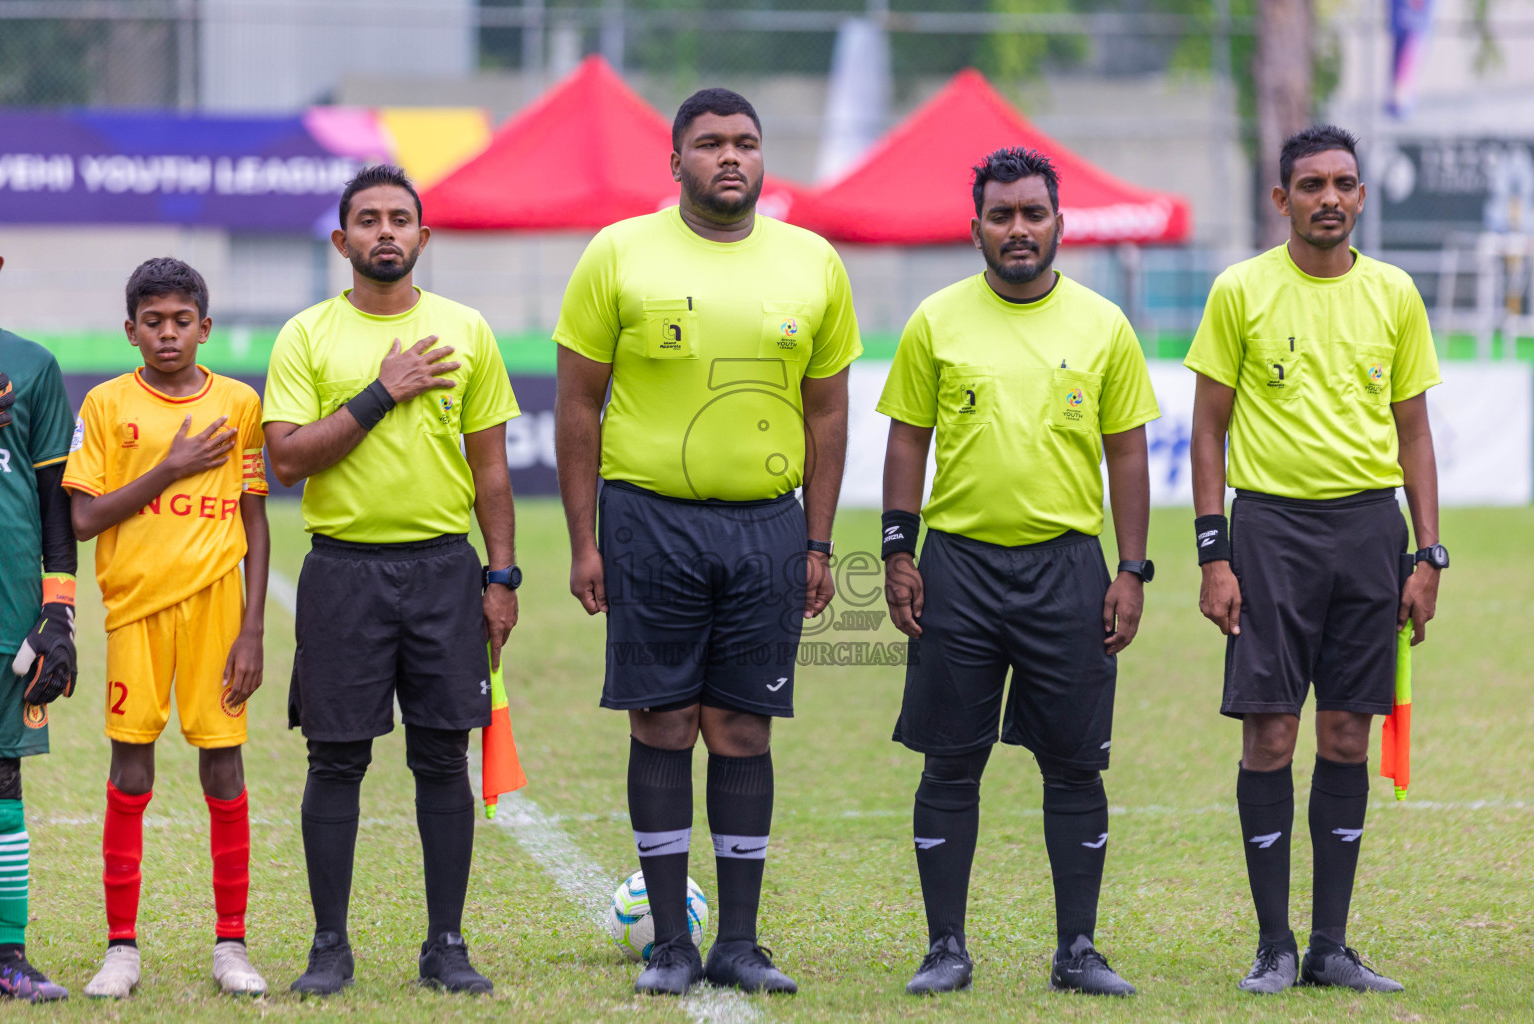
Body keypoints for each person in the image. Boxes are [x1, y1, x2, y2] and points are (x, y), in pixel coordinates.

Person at [554, 88, 860, 997]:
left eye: (746, 143)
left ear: (764, 157)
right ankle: (670, 948)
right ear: (675, 160)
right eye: (710, 144)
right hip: (649, 518)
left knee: (741, 725)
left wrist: (816, 541)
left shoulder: (813, 262)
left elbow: (828, 409)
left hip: (767, 523)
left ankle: (737, 942)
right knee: (663, 720)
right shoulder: (619, 252)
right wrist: (584, 540)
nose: (730, 157)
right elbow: (577, 403)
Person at [879, 147, 1159, 999]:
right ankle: (945, 949)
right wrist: (898, 550)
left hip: (1069, 568)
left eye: (1032, 213)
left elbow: (1129, 453)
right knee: (949, 762)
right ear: (976, 230)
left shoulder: (1103, 325)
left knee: (1075, 765)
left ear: (1059, 225)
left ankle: (1078, 950)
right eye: (1001, 216)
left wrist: (1132, 568)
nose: (1018, 229)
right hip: (957, 567)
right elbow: (905, 441)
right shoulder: (936, 320)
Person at [1185, 125, 1443, 995]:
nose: (1328, 197)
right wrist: (1214, 554)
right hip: (1269, 535)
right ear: (1281, 198)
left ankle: (1331, 947)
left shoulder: (1396, 294)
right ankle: (1274, 946)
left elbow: (1414, 434)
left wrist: (1429, 555)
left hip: (1372, 533)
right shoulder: (1241, 291)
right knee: (1271, 732)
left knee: (1345, 731)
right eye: (1310, 184)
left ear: (1361, 196)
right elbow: (1209, 430)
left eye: (1343, 183)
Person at [263, 165, 521, 996]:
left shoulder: (467, 330)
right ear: (342, 242)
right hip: (343, 572)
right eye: (367, 219)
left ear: (423, 237)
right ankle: (329, 947)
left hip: (446, 570)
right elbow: (290, 458)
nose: (385, 231)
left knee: (443, 758)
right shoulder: (306, 335)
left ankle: (446, 945)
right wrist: (383, 389)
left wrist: (502, 575)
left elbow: (492, 471)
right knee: (335, 761)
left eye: (399, 219)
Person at [62, 258, 270, 998]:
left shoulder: (240, 403)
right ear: (130, 330)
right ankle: (122, 948)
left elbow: (254, 515)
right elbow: (83, 519)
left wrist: (254, 630)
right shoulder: (106, 404)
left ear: (205, 328)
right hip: (136, 613)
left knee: (224, 767)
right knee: (132, 768)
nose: (169, 333)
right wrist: (171, 465)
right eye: (153, 321)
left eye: (182, 320)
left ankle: (232, 944)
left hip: (216, 609)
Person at [0, 245, 77, 1003]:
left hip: (7, 619)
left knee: (2, 780)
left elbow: (57, 503)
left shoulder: (34, 367)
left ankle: (7, 954)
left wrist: (59, 612)